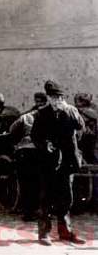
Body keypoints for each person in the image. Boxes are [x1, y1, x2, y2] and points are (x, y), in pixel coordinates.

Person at [30, 80, 86, 246]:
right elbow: (35, 136)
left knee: (66, 197)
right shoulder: (41, 113)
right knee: (47, 197)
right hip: (49, 161)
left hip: (67, 161)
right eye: (53, 97)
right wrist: (45, 144)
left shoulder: (70, 111)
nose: (56, 101)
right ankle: (44, 233)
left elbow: (80, 126)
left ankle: (65, 232)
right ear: (48, 97)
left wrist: (69, 111)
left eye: (59, 97)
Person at [9, 92, 47, 222]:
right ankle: (39, 211)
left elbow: (12, 130)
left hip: (25, 152)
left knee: (26, 183)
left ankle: (28, 213)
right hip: (41, 153)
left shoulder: (26, 116)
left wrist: (16, 144)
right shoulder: (49, 117)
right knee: (39, 183)